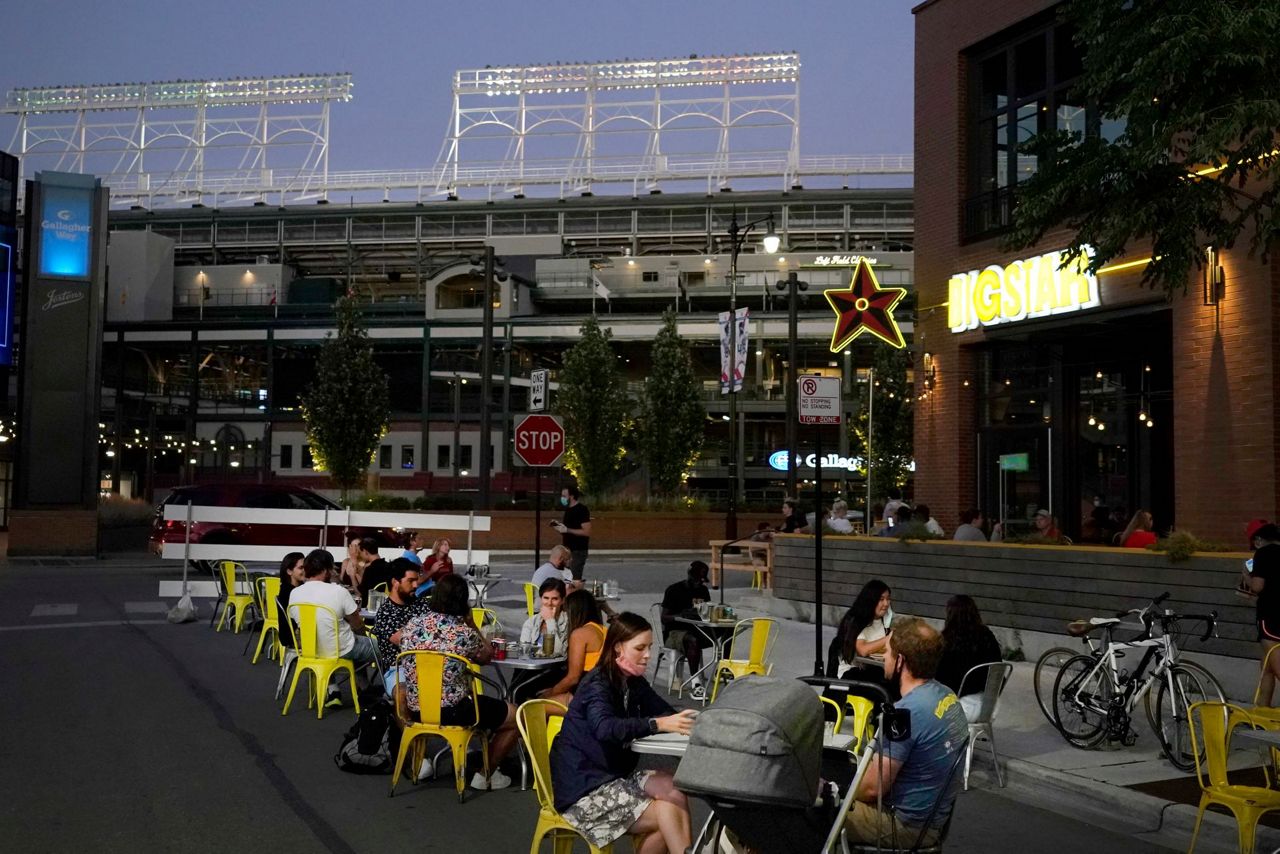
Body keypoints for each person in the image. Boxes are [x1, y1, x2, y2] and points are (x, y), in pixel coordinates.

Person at [550, 612, 697, 853]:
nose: (648, 655)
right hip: (584, 790)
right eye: (640, 648)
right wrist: (657, 724)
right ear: (618, 648)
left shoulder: (631, 681)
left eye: (649, 647)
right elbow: (606, 728)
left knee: (674, 788)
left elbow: (664, 712)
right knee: (667, 811)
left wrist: (692, 722)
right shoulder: (598, 684)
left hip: (612, 778)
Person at [843, 617, 968, 848]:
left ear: (900, 661)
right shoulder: (948, 696)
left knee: (813, 810)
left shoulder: (906, 714)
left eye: (888, 652)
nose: (885, 658)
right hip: (932, 818)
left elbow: (872, 788)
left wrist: (835, 788)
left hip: (904, 825)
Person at [398, 574, 519, 790]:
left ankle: (421, 761)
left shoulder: (412, 625)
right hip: (454, 710)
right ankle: (485, 774)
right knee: (517, 715)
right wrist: (472, 625)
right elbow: (486, 656)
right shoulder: (463, 633)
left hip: (417, 708)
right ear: (463, 601)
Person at [288, 549, 377, 704]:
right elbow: (357, 623)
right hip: (343, 648)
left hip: (311, 650)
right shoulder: (338, 591)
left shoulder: (295, 593)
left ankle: (334, 688)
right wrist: (363, 635)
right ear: (325, 570)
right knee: (381, 646)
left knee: (336, 639)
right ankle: (381, 691)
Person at [936, 594, 1003, 720]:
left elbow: (941, 680)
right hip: (990, 706)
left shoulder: (948, 641)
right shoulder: (987, 635)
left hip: (960, 707)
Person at [542, 589, 607, 708]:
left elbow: (573, 678)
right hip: (603, 692)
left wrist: (549, 693)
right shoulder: (603, 630)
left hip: (585, 697)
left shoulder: (580, 634)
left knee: (532, 707)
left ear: (573, 612)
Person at [660, 561, 714, 700]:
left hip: (696, 627)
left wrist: (707, 614)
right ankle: (696, 682)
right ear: (689, 576)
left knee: (728, 631)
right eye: (696, 580)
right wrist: (681, 615)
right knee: (692, 640)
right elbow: (664, 618)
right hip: (674, 633)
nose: (699, 584)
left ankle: (724, 669)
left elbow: (705, 611)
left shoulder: (703, 590)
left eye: (701, 581)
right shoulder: (674, 590)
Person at [372, 558, 427, 694]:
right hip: (398, 668)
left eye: (416, 580)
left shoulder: (422, 604)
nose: (416, 585)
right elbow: (404, 641)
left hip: (429, 663)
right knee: (402, 694)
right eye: (410, 581)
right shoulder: (385, 612)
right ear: (395, 582)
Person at [1243, 523, 1280, 705]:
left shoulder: (1263, 554)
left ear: (1258, 540)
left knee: (1275, 663)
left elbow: (1258, 586)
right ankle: (1262, 708)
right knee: (1266, 667)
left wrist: (1246, 577)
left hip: (1270, 614)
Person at [828, 579, 893, 681]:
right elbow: (863, 650)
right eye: (881, 599)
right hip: (853, 674)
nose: (886, 603)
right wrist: (889, 638)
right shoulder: (857, 621)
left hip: (875, 668)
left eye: (888, 599)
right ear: (871, 600)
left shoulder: (885, 620)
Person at [520, 578, 569, 657]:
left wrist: (550, 621)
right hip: (532, 666)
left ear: (562, 600)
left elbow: (559, 652)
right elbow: (524, 650)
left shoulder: (568, 621)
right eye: (546, 598)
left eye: (555, 599)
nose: (549, 603)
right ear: (541, 599)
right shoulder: (531, 621)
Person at [552, 487, 592, 581]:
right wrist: (560, 528)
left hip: (578, 550)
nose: (562, 498)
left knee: (574, 579)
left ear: (572, 496)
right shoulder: (568, 510)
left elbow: (586, 531)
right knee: (566, 579)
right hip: (567, 551)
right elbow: (567, 530)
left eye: (564, 496)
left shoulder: (581, 510)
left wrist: (567, 530)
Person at [275, 551, 306, 651]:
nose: (305, 570)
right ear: (289, 571)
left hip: (290, 634)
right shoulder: (291, 593)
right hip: (294, 637)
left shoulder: (292, 588)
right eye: (301, 568)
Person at [356, 536, 391, 602]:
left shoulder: (370, 570)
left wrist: (354, 574)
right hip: (387, 603)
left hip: (371, 606)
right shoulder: (389, 566)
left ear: (365, 551)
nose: (360, 555)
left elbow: (362, 592)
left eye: (360, 552)